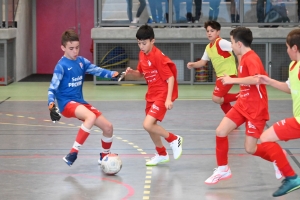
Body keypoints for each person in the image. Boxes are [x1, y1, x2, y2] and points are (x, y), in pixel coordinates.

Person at [204, 27, 282, 185]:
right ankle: (223, 168)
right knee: (220, 131)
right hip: (242, 105)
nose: (231, 45)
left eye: (232, 42)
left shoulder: (251, 58)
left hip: (256, 109)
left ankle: (278, 159)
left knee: (250, 148)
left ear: (239, 44)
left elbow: (256, 79)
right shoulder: (242, 57)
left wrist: (233, 81)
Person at [47, 29, 120, 166]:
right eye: (71, 48)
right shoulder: (61, 66)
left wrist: (112, 74)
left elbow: (96, 70)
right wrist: (51, 104)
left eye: (77, 48)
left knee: (108, 127)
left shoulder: (81, 61)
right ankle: (72, 153)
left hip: (80, 102)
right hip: (66, 103)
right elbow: (52, 88)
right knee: (90, 117)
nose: (75, 51)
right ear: (63, 48)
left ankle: (104, 156)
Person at [125, 24, 183, 166]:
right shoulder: (142, 55)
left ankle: (174, 139)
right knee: (152, 126)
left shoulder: (157, 56)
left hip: (162, 94)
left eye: (144, 43)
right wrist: (132, 72)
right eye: (139, 43)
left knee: (147, 124)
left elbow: (170, 78)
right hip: (151, 94)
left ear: (152, 41)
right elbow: (141, 74)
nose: (141, 46)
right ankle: (162, 153)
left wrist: (168, 98)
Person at [255, 29, 300, 197]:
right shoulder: (293, 65)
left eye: (287, 47)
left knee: (265, 137)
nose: (286, 50)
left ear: (294, 48)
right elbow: (290, 88)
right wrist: (268, 81)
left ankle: (291, 177)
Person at [187, 21, 239, 115]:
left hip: (228, 75)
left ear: (218, 32)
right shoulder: (208, 47)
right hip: (220, 76)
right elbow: (202, 62)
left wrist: (242, 61)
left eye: (212, 30)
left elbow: (236, 48)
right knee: (221, 101)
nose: (209, 33)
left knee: (216, 98)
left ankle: (242, 95)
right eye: (207, 31)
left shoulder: (221, 42)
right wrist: (193, 64)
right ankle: (232, 119)